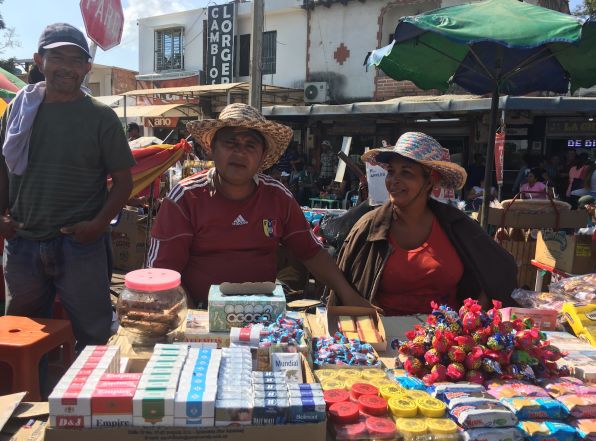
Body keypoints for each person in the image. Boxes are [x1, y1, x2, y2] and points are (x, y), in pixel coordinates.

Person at [146, 103, 366, 308]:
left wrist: (351, 297)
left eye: (250, 145)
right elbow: (161, 273)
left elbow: (312, 253)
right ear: (211, 149)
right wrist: (193, 320)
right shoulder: (184, 197)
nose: (240, 152)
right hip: (197, 314)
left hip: (263, 318)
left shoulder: (278, 197)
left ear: (262, 157)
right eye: (230, 143)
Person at [0, 23, 134, 346]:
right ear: (38, 60)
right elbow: (2, 169)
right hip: (23, 243)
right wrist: (2, 215)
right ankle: (28, 397)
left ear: (87, 67)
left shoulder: (102, 118)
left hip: (80, 246)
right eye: (57, 57)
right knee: (22, 337)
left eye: (76, 60)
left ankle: (95, 398)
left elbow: (124, 181)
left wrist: (98, 225)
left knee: (95, 335)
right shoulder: (19, 112)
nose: (67, 67)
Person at [331, 132, 517, 315]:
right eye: (391, 172)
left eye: (406, 173)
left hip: (447, 338)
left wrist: (477, 311)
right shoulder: (369, 227)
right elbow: (342, 286)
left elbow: (502, 266)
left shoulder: (456, 224)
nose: (394, 181)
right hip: (384, 337)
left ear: (431, 180)